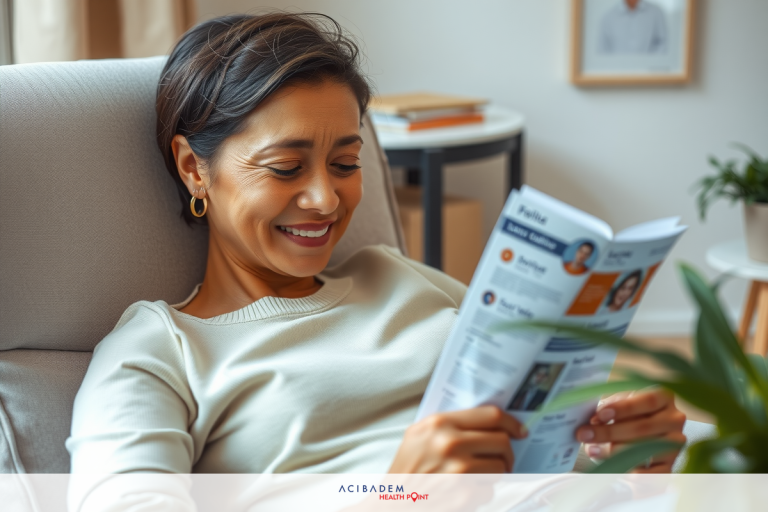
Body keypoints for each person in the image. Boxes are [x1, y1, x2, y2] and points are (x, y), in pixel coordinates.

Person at [66, 12, 686, 508]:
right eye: (286, 167)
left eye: (345, 163)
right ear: (194, 167)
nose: (326, 199)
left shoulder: (397, 276)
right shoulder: (162, 350)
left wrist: (625, 458)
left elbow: (535, 453)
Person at [599, 0, 668, 55]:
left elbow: (662, 45)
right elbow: (603, 50)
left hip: (650, 71)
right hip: (616, 71)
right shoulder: (608, 17)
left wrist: (650, 66)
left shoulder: (656, 13)